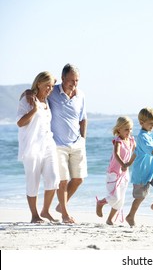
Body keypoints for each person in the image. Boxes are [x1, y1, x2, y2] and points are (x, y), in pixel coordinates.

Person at [23, 63, 88, 223]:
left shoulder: (81, 95)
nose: (74, 83)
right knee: (62, 180)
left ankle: (60, 206)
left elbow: (83, 118)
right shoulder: (53, 92)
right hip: (57, 144)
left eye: (77, 80)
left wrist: (83, 139)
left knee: (79, 179)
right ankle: (65, 214)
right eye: (71, 80)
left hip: (77, 143)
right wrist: (29, 92)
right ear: (63, 78)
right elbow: (37, 91)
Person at [16, 71, 60, 223]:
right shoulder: (27, 100)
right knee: (33, 182)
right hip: (32, 147)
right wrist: (34, 109)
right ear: (38, 83)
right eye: (47, 85)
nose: (50, 89)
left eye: (52, 86)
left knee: (54, 178)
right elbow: (20, 123)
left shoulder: (47, 100)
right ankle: (34, 216)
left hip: (48, 145)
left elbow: (54, 81)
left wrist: (52, 81)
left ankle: (45, 211)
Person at [96, 116, 136, 225]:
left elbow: (136, 152)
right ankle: (100, 203)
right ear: (119, 129)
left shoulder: (131, 140)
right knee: (114, 197)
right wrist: (123, 164)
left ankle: (110, 219)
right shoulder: (118, 141)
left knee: (120, 200)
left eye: (130, 129)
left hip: (124, 174)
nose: (129, 131)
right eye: (126, 129)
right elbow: (116, 154)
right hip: (114, 173)